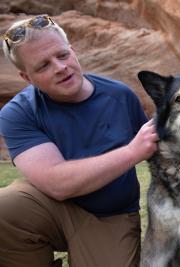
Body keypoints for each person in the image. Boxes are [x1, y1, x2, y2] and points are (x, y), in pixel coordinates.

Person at [0, 15, 158, 267]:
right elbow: (57, 183)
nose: (60, 67)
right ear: (27, 77)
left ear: (72, 51)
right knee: (3, 209)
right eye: (43, 66)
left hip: (111, 215)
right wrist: (132, 152)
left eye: (62, 56)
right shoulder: (18, 113)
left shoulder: (120, 96)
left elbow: (161, 154)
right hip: (50, 207)